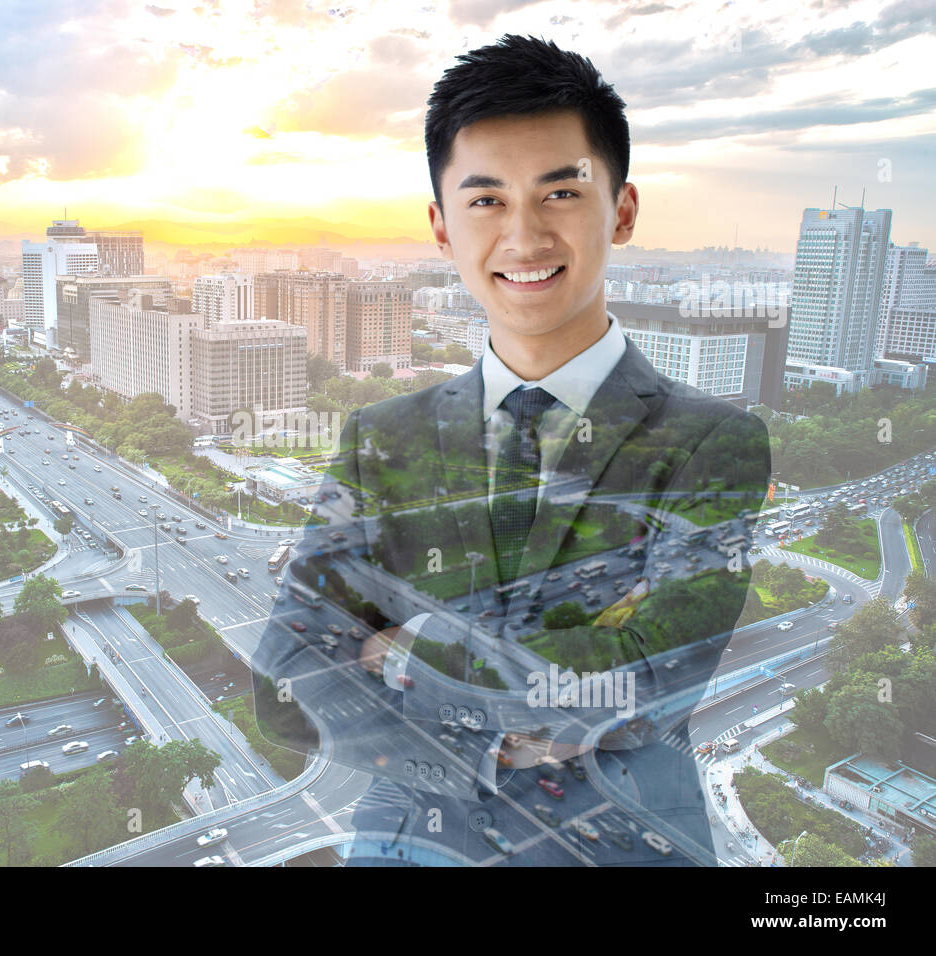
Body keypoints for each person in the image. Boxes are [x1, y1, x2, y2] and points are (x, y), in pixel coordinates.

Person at [252, 35, 770, 868]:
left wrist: (409, 649)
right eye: (486, 200)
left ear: (623, 210)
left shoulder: (712, 443)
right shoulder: (385, 437)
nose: (524, 238)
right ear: (441, 227)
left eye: (560, 192)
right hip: (406, 843)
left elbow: (646, 681)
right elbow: (285, 680)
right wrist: (494, 742)